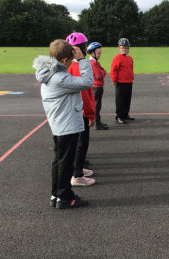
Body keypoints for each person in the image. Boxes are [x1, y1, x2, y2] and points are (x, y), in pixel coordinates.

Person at [32, 39, 93, 209]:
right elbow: (88, 82)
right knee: (65, 162)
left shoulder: (47, 73)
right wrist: (82, 60)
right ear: (65, 60)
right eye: (71, 59)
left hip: (60, 124)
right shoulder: (60, 78)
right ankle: (65, 197)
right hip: (66, 126)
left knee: (59, 161)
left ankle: (56, 194)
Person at [66, 32, 96, 186]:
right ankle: (77, 175)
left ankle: (78, 167)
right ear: (82, 49)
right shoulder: (80, 67)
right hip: (81, 112)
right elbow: (86, 94)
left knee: (75, 143)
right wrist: (91, 115)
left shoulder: (68, 66)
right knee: (81, 143)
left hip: (70, 112)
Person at [110, 38, 134, 124]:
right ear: (119, 48)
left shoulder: (130, 58)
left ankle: (125, 114)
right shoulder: (117, 58)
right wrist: (114, 80)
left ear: (128, 49)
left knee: (127, 99)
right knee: (120, 100)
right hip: (120, 82)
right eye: (122, 48)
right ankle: (119, 116)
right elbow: (113, 70)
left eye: (126, 48)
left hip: (129, 82)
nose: (124, 49)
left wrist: (132, 78)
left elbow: (131, 69)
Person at [87, 42, 108, 130]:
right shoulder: (92, 63)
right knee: (96, 106)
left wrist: (102, 72)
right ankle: (97, 123)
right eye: (98, 53)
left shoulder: (96, 62)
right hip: (96, 87)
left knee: (98, 105)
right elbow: (100, 75)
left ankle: (98, 122)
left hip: (98, 86)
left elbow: (103, 71)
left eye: (100, 53)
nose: (100, 55)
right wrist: (102, 72)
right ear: (92, 53)